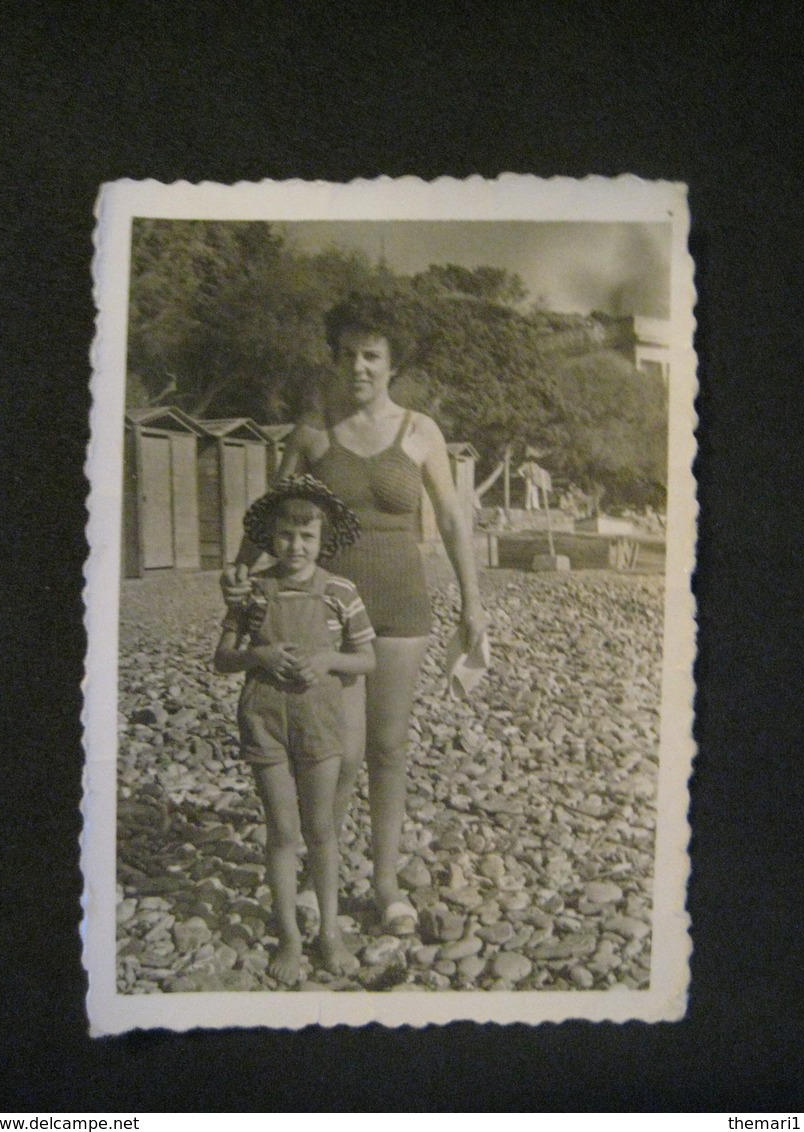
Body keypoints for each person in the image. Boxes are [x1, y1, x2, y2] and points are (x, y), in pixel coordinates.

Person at [224, 294, 486, 935]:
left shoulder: (422, 431)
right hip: (327, 612)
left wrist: (473, 605)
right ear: (335, 359)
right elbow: (276, 511)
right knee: (334, 752)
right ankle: (321, 879)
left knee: (389, 749)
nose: (360, 367)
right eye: (348, 355)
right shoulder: (313, 434)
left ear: (391, 365)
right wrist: (238, 567)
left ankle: (387, 883)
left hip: (400, 604)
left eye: (372, 356)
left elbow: (452, 518)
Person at [214, 475, 376, 985]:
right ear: (270, 536)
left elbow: (367, 658)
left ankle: (330, 931)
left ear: (322, 540)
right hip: (264, 719)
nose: (296, 547)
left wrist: (328, 658)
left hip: (320, 722)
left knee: (321, 829)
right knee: (282, 833)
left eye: (307, 537)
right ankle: (287, 934)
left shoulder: (339, 591)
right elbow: (222, 658)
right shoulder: (253, 591)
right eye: (285, 536)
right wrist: (256, 655)